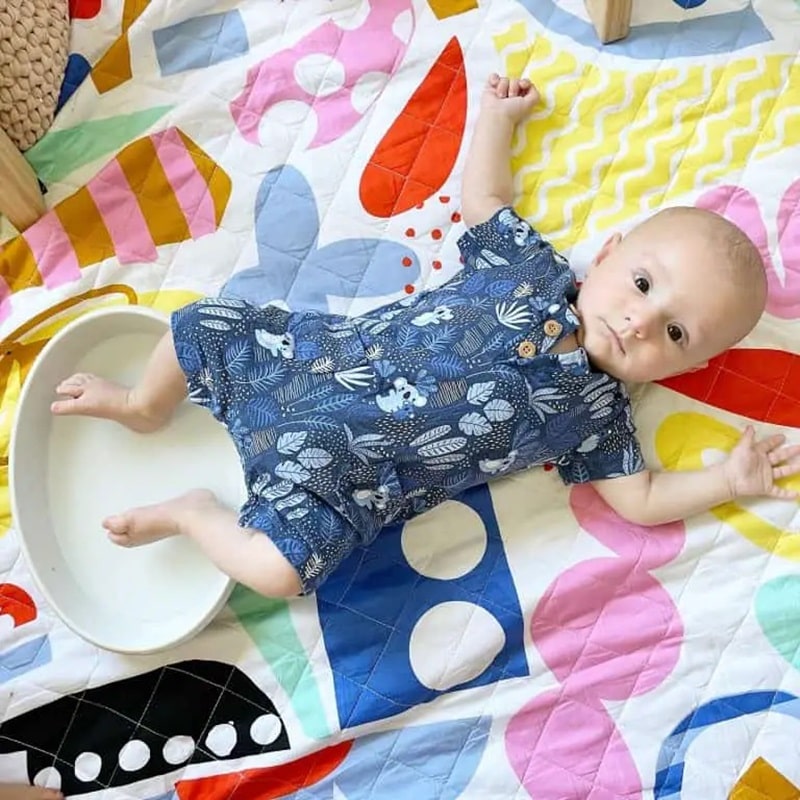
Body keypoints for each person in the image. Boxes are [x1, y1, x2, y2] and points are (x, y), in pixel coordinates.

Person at [49, 73, 798, 598]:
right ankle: (146, 405)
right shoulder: (528, 269)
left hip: (343, 484)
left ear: (688, 364)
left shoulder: (599, 418)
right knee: (201, 324)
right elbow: (486, 199)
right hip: (303, 365)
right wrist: (497, 123)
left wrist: (726, 483)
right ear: (608, 254)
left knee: (278, 575)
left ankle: (190, 513)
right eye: (641, 283)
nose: (638, 320)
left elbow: (641, 497)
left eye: (673, 331)